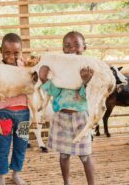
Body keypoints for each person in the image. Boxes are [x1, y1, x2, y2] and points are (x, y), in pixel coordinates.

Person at [39, 31, 95, 185]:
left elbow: (88, 95)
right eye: (67, 46)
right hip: (61, 118)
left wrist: (86, 82)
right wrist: (44, 80)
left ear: (84, 47)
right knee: (64, 155)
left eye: (76, 45)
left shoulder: (89, 69)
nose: (71, 49)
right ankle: (66, 182)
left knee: (85, 155)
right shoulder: (61, 70)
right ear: (63, 50)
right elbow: (55, 92)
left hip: (81, 119)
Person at [0, 33, 31, 185]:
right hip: (4, 112)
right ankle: (1, 176)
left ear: (21, 52)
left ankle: (16, 173)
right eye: (7, 52)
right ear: (1, 51)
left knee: (21, 144)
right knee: (3, 145)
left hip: (24, 113)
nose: (11, 56)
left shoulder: (25, 66)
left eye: (16, 53)